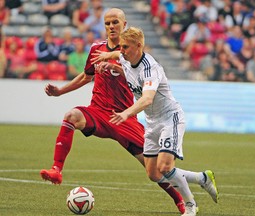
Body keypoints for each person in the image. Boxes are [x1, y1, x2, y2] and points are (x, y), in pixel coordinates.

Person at [40, 8, 186, 214]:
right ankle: (56, 170)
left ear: (124, 25)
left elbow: (140, 79)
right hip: (98, 111)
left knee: (151, 168)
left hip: (124, 117)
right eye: (107, 23)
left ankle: (180, 200)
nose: (111, 27)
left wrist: (114, 68)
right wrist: (60, 91)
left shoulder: (132, 52)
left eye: (115, 22)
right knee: (71, 116)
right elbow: (85, 76)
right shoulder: (96, 49)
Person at [92, 26, 219, 216]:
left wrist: (126, 113)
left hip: (170, 118)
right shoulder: (126, 58)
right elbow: (126, 67)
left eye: (125, 47)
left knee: (165, 167)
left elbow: (147, 99)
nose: (122, 51)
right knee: (154, 174)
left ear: (139, 46)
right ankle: (202, 178)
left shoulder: (150, 68)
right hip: (152, 122)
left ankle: (191, 205)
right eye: (121, 47)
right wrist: (111, 63)